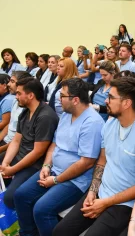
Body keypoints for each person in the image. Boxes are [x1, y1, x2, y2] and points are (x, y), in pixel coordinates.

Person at [52, 77, 135, 236]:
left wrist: (105, 203)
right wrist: (92, 191)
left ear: (126, 103)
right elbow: (102, 162)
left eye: (111, 97)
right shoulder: (110, 124)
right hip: (101, 192)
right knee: (60, 232)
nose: (106, 101)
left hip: (125, 204)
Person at [13, 78, 104, 236]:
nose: (58, 99)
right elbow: (54, 144)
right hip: (54, 170)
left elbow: (86, 163)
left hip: (75, 180)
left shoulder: (92, 123)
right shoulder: (66, 115)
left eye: (62, 96)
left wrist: (56, 180)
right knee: (21, 195)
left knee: (42, 210)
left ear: (75, 100)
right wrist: (46, 166)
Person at [0, 77, 59, 209]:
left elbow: (38, 152)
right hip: (20, 156)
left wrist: (12, 169)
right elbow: (16, 140)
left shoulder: (45, 117)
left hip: (34, 164)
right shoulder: (25, 112)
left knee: (11, 197)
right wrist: (5, 163)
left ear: (31, 95)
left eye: (19, 93)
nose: (16, 97)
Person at [0, 71, 31, 157]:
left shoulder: (27, 108)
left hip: (14, 146)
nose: (8, 84)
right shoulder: (14, 100)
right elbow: (9, 124)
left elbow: (18, 140)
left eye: (12, 81)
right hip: (6, 141)